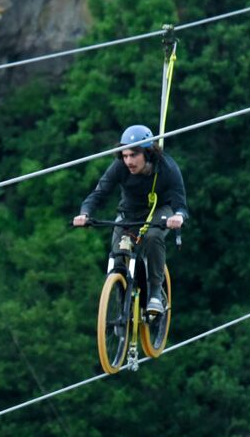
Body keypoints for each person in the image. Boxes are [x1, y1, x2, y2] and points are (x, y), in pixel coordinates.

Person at [73, 124, 188, 315]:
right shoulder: (119, 167)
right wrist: (85, 213)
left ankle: (154, 294)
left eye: (133, 155)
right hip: (129, 215)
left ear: (148, 153)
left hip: (160, 211)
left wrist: (178, 216)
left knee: (152, 237)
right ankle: (121, 309)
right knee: (118, 256)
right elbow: (99, 193)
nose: (128, 161)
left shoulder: (167, 168)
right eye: (125, 156)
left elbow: (180, 204)